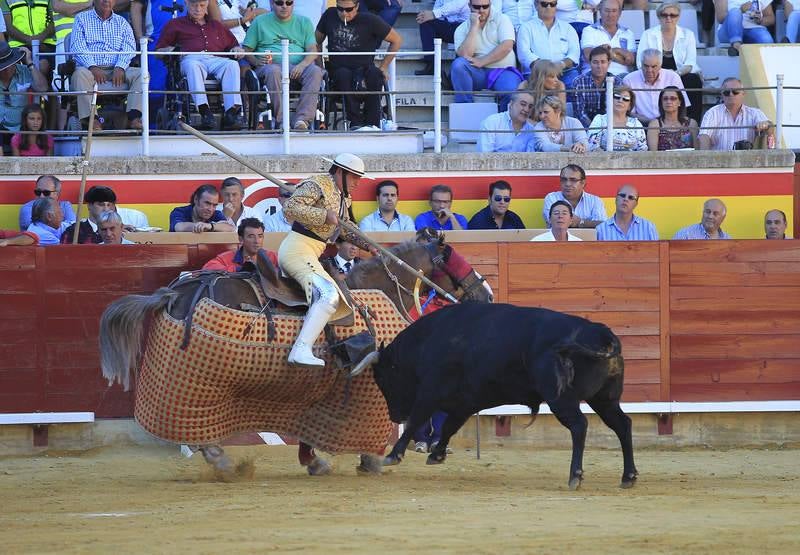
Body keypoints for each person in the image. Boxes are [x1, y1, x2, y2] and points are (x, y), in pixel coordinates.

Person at [278, 152, 377, 367]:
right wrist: (324, 216)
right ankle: (301, 349)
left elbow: (346, 229)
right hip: (297, 249)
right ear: (340, 172)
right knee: (329, 295)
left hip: (312, 251)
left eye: (359, 178)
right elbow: (290, 207)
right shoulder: (317, 184)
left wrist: (367, 244)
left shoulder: (344, 198)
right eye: (354, 177)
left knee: (335, 295)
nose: (357, 183)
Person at [156, 0, 247, 132]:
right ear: (187, 3)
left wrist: (238, 49)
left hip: (216, 59)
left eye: (202, 5)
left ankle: (231, 113)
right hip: (190, 58)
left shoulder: (216, 26)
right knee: (193, 65)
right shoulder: (175, 24)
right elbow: (158, 52)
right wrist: (169, 50)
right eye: (194, 5)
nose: (198, 9)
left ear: (207, 6)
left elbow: (234, 46)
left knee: (232, 65)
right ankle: (204, 111)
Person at [315, 0, 402, 131]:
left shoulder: (370, 20)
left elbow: (397, 40)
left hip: (364, 69)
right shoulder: (329, 15)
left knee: (375, 74)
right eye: (340, 9)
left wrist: (383, 66)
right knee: (343, 74)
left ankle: (373, 123)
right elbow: (315, 42)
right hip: (338, 71)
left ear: (357, 7)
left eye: (348, 10)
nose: (344, 13)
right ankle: (354, 122)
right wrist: (320, 66)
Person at [243, 0, 322, 131]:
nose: (284, 6)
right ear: (271, 4)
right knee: (273, 70)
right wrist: (256, 62)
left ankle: (302, 120)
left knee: (315, 71)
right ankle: (282, 120)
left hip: (298, 66)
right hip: (270, 66)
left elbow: (313, 51)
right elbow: (246, 50)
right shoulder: (259, 21)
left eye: (289, 2)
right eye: (279, 2)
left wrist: (302, 65)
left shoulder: (304, 22)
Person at [70, 0, 144, 131]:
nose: (106, 1)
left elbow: (129, 47)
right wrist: (92, 67)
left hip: (117, 69)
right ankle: (92, 120)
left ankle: (134, 117)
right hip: (90, 69)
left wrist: (120, 67)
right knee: (79, 75)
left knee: (141, 74)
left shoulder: (122, 22)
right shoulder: (81, 19)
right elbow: (77, 46)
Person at [636, 0, 703, 122]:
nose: (668, 18)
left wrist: (674, 74)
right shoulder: (648, 34)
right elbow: (640, 63)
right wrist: (664, 75)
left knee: (693, 80)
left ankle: (692, 123)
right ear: (658, 16)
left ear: (678, 17)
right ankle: (657, 123)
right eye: (664, 15)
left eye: (673, 15)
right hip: (655, 75)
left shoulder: (688, 34)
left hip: (680, 74)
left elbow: (690, 63)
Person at [451, 1, 522, 112]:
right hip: (478, 73)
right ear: (469, 6)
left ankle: (503, 125)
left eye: (485, 6)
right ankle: (465, 111)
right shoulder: (462, 28)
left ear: (490, 4)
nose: (481, 10)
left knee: (510, 92)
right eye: (477, 7)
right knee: (458, 65)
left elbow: (507, 46)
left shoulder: (502, 19)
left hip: (503, 71)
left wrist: (482, 61)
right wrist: (474, 27)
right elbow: (465, 55)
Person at [698, 77, 773, 151]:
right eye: (726, 92)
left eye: (735, 91)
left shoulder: (755, 113)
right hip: (720, 161)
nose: (731, 94)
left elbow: (770, 129)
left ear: (743, 93)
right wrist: (705, 159)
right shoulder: (712, 113)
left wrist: (766, 125)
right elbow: (704, 136)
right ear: (722, 95)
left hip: (747, 161)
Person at [516, 0, 580, 87]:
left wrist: (561, 65)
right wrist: (546, 69)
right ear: (536, 5)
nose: (549, 7)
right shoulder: (526, 28)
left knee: (575, 83)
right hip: (537, 73)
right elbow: (524, 54)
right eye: (544, 4)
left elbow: (574, 54)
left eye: (552, 4)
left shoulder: (568, 28)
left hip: (564, 72)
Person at [0, 40, 48, 149]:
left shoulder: (24, 71)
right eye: (3, 68)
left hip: (22, 127)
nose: (7, 71)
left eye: (10, 65)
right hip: (0, 128)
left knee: (34, 129)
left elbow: (43, 89)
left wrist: (30, 63)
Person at [623, 49, 690, 123]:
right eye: (646, 66)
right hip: (641, 124)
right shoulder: (629, 80)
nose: (649, 70)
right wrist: (653, 123)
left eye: (654, 66)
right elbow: (629, 112)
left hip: (669, 124)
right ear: (641, 64)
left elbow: (683, 106)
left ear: (660, 65)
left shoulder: (673, 77)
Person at [413, 0, 469, 76]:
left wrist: (433, 14)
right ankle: (432, 65)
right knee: (426, 21)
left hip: (465, 27)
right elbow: (437, 9)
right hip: (449, 26)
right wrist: (427, 16)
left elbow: (458, 5)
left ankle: (455, 76)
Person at [580, 0, 635, 76]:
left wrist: (613, 50)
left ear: (620, 13)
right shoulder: (589, 30)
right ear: (600, 11)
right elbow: (588, 56)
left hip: (621, 76)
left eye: (614, 11)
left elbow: (630, 60)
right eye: (607, 10)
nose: (610, 15)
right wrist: (619, 54)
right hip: (594, 74)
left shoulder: (628, 33)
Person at [572, 46, 623, 128]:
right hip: (586, 128)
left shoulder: (617, 82)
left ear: (609, 63)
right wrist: (594, 129)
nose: (599, 66)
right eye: (595, 62)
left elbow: (619, 112)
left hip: (611, 126)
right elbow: (580, 114)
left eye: (603, 62)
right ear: (589, 63)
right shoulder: (578, 82)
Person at [542, 164, 606, 228]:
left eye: (573, 180)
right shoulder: (552, 198)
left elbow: (602, 225)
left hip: (588, 238)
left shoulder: (595, 201)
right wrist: (587, 223)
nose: (567, 184)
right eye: (564, 179)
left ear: (583, 183)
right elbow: (555, 222)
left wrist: (580, 222)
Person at [587, 85, 648, 152]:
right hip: (604, 161)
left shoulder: (636, 123)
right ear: (610, 100)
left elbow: (642, 149)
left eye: (625, 99)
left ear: (630, 106)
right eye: (617, 97)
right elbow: (591, 145)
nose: (620, 100)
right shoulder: (600, 119)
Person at [203, 217, 279, 270]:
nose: (257, 241)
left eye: (260, 236)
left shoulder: (273, 256)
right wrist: (239, 269)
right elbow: (207, 268)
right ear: (241, 239)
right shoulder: (228, 257)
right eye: (251, 236)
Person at [647, 86, 698, 151]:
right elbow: (653, 154)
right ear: (661, 102)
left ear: (679, 102)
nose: (668, 101)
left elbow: (698, 151)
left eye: (673, 98)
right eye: (665, 99)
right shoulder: (654, 124)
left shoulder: (691, 123)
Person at [169, 184, 237, 232]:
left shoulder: (216, 214)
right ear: (196, 199)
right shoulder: (179, 211)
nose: (210, 209)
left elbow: (230, 228)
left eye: (214, 205)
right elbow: (179, 227)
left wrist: (210, 226)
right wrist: (201, 226)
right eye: (207, 203)